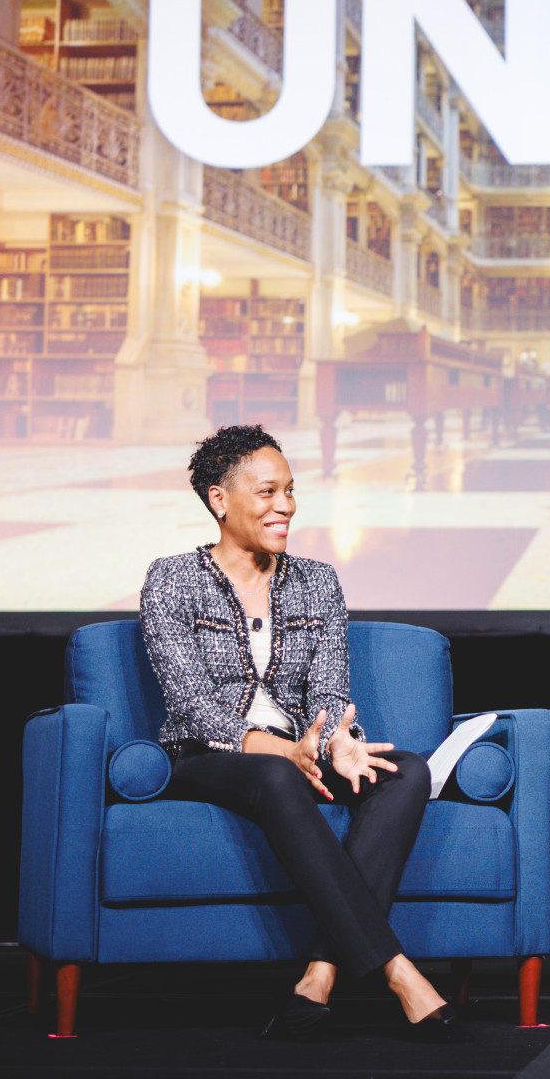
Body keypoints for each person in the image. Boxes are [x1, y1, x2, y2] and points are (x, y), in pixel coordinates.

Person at [139, 425, 451, 1038]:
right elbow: (193, 706)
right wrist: (288, 752)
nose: (285, 505)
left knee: (407, 772)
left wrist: (337, 742)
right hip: (210, 755)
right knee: (277, 776)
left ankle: (320, 975)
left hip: (297, 750)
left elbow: (330, 690)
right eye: (267, 492)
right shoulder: (172, 579)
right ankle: (397, 971)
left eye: (289, 490)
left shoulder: (317, 580)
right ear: (219, 499)